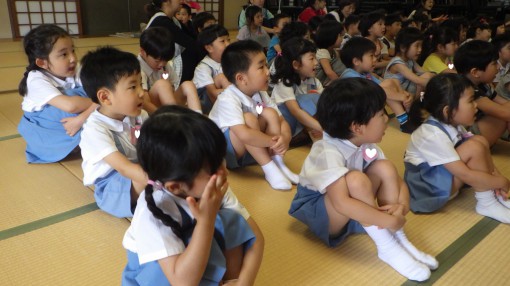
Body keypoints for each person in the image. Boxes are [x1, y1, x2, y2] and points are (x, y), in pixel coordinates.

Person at [289, 78, 436, 282]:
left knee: (384, 167)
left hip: (352, 208)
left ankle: (397, 236)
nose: (386, 119)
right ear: (357, 127)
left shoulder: (366, 144)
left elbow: (394, 179)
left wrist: (401, 207)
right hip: (320, 211)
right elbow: (341, 202)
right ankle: (387, 246)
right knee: (357, 180)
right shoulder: (327, 151)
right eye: (380, 114)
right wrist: (387, 219)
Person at [121, 105, 264, 286]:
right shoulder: (153, 212)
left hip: (189, 255)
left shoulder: (212, 186)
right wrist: (206, 220)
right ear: (175, 187)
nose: (224, 171)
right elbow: (182, 282)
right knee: (212, 226)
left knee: (230, 220)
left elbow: (256, 238)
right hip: (160, 273)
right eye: (214, 168)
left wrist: (244, 282)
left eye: (221, 159)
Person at [404, 74, 510, 223]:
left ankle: (493, 196)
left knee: (479, 141)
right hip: (429, 191)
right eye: (471, 101)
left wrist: (497, 182)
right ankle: (487, 203)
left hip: (441, 179)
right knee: (474, 146)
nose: (476, 106)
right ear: (448, 111)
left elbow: (483, 158)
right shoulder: (432, 134)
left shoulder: (452, 124)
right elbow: (465, 174)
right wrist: (500, 182)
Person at [209, 40, 298, 191]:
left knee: (270, 113)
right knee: (249, 118)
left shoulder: (261, 94)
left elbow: (281, 120)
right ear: (241, 78)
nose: (268, 71)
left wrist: (284, 139)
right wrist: (272, 142)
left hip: (254, 148)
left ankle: (277, 162)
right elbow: (243, 135)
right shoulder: (228, 97)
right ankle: (269, 168)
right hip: (225, 153)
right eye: (261, 67)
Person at [79, 47, 148, 218]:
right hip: (112, 186)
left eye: (141, 83)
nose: (141, 92)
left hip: (139, 169)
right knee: (145, 180)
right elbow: (124, 168)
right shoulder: (94, 129)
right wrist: (163, 178)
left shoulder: (139, 115)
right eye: (133, 86)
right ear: (105, 97)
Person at [17, 24, 96, 163]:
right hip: (46, 129)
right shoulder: (35, 80)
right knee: (78, 97)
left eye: (73, 50)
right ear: (42, 63)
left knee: (94, 89)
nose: (73, 58)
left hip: (75, 118)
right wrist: (103, 102)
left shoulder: (75, 69)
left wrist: (82, 117)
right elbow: (70, 106)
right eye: (64, 54)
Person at [340, 37, 414, 133]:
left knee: (393, 81)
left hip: (367, 104)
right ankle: (404, 121)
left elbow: (383, 85)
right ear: (356, 61)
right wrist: (401, 96)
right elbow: (376, 90)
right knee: (384, 87)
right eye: (371, 56)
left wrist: (405, 95)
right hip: (356, 113)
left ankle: (405, 112)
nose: (375, 59)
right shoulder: (349, 75)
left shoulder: (365, 74)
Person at [454, 40, 510, 146]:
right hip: (463, 137)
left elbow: (503, 102)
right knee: (503, 116)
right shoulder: (466, 88)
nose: (498, 68)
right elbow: (504, 113)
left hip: (477, 128)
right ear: (475, 72)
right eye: (494, 64)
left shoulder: (484, 84)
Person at [138, 27, 202, 114]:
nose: (161, 64)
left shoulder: (164, 64)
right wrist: (163, 115)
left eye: (166, 61)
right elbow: (144, 103)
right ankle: (174, 121)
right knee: (162, 84)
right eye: (157, 61)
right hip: (152, 111)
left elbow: (172, 88)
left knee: (188, 84)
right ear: (143, 52)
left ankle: (198, 119)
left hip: (168, 106)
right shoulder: (137, 68)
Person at [271, 38, 323, 142]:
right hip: (285, 129)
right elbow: (295, 111)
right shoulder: (284, 83)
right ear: (296, 64)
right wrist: (323, 128)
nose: (316, 62)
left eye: (315, 58)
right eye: (311, 58)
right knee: (304, 100)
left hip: (304, 126)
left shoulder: (313, 81)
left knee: (320, 99)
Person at [145, 0, 202, 84]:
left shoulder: (171, 19)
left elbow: (194, 38)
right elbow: (190, 43)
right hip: (157, 70)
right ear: (167, 1)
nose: (182, 0)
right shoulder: (162, 21)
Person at [384, 27, 434, 97]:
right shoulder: (397, 64)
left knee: (427, 75)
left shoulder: (410, 60)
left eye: (421, 46)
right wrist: (436, 83)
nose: (420, 50)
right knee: (424, 79)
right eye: (417, 46)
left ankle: (420, 101)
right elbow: (417, 80)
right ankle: (418, 103)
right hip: (397, 95)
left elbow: (423, 72)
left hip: (407, 92)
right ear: (403, 47)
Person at [193, 24, 231, 113]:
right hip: (206, 103)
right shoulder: (203, 67)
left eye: (228, 40)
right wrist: (236, 91)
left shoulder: (229, 61)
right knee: (222, 77)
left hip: (222, 97)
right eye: (223, 41)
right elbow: (212, 93)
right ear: (209, 48)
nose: (228, 44)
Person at [314, 20, 346, 86]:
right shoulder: (322, 51)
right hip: (321, 84)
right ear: (331, 36)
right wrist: (342, 85)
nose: (342, 39)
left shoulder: (333, 51)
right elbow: (329, 72)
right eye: (340, 35)